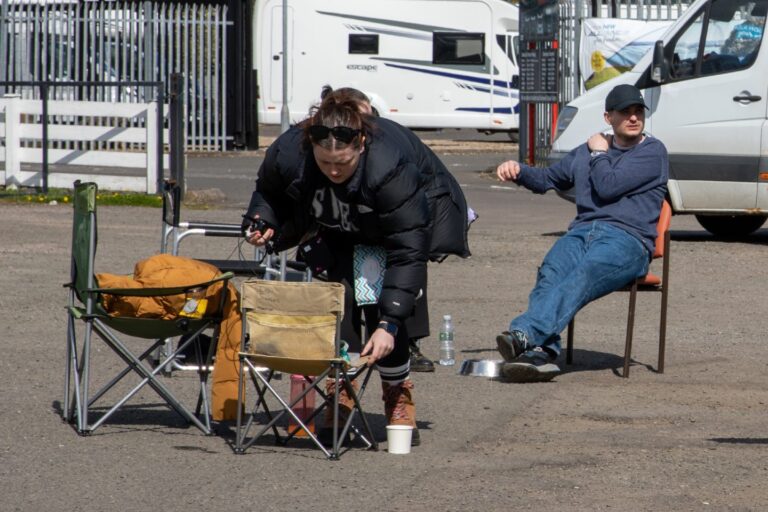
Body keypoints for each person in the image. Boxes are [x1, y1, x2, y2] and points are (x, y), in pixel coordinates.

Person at [244, 89, 471, 444]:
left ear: (361, 144)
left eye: (343, 163)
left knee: (385, 307)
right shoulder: (291, 150)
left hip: (396, 224)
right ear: (310, 147)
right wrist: (262, 219)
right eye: (325, 163)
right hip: (336, 223)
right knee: (339, 299)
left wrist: (390, 322)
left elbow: (406, 251)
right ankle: (341, 390)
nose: (334, 170)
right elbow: (268, 190)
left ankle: (398, 394)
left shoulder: (389, 165)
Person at [494, 83, 668, 383]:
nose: (633, 117)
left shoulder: (652, 152)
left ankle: (525, 334)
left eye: (638, 111)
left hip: (628, 241)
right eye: (625, 112)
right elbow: (549, 179)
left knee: (586, 272)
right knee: (551, 270)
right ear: (607, 117)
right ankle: (541, 353)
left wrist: (599, 154)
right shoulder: (584, 152)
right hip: (583, 233)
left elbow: (608, 185)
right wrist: (519, 171)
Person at [319, 85, 436, 373]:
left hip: (384, 229)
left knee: (398, 279)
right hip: (342, 234)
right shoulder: (329, 147)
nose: (372, 125)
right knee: (344, 296)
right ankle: (343, 378)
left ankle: (406, 350)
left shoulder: (386, 149)